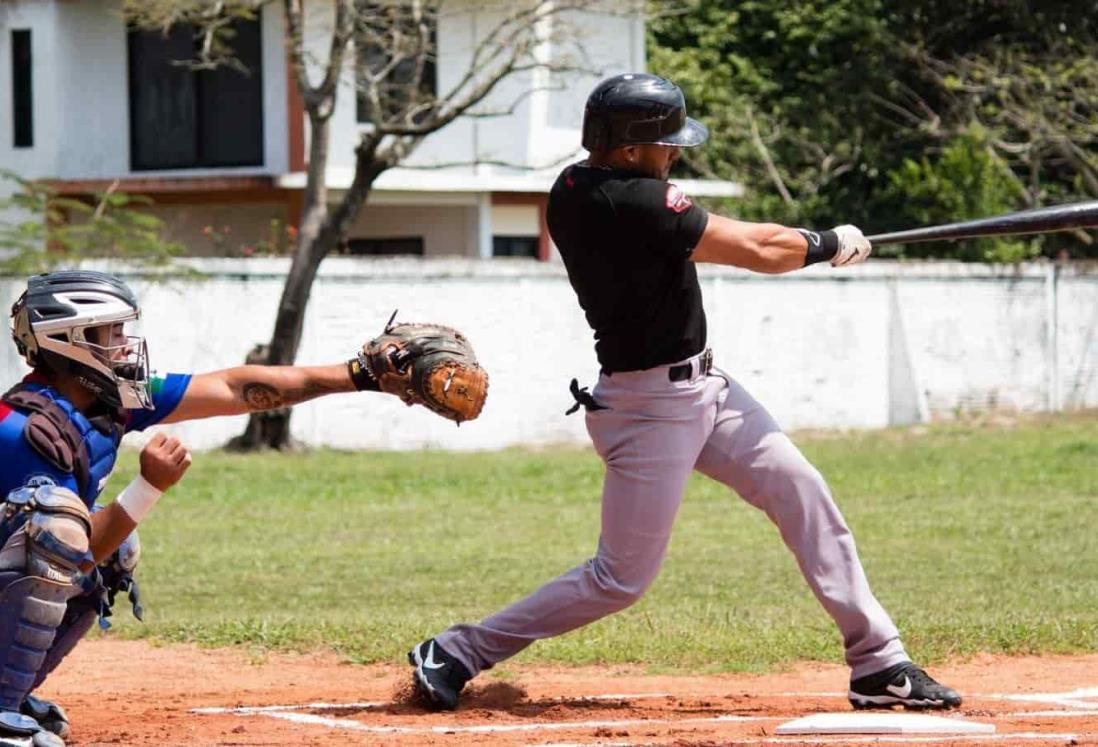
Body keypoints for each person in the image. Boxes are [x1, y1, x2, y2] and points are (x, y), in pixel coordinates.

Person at [408, 73, 962, 713]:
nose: (675, 153)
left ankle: (879, 663)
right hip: (651, 410)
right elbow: (756, 247)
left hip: (709, 390)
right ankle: (456, 651)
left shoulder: (576, 186)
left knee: (803, 493)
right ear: (627, 148)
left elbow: (725, 231)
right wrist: (829, 243)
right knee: (619, 580)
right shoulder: (629, 201)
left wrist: (810, 243)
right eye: (665, 143)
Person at [0, 270, 400, 746]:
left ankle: (12, 694)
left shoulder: (108, 402)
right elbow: (76, 551)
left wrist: (360, 376)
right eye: (112, 334)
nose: (127, 345)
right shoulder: (22, 430)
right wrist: (147, 487)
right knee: (58, 532)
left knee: (111, 546)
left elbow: (234, 388)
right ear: (71, 341)